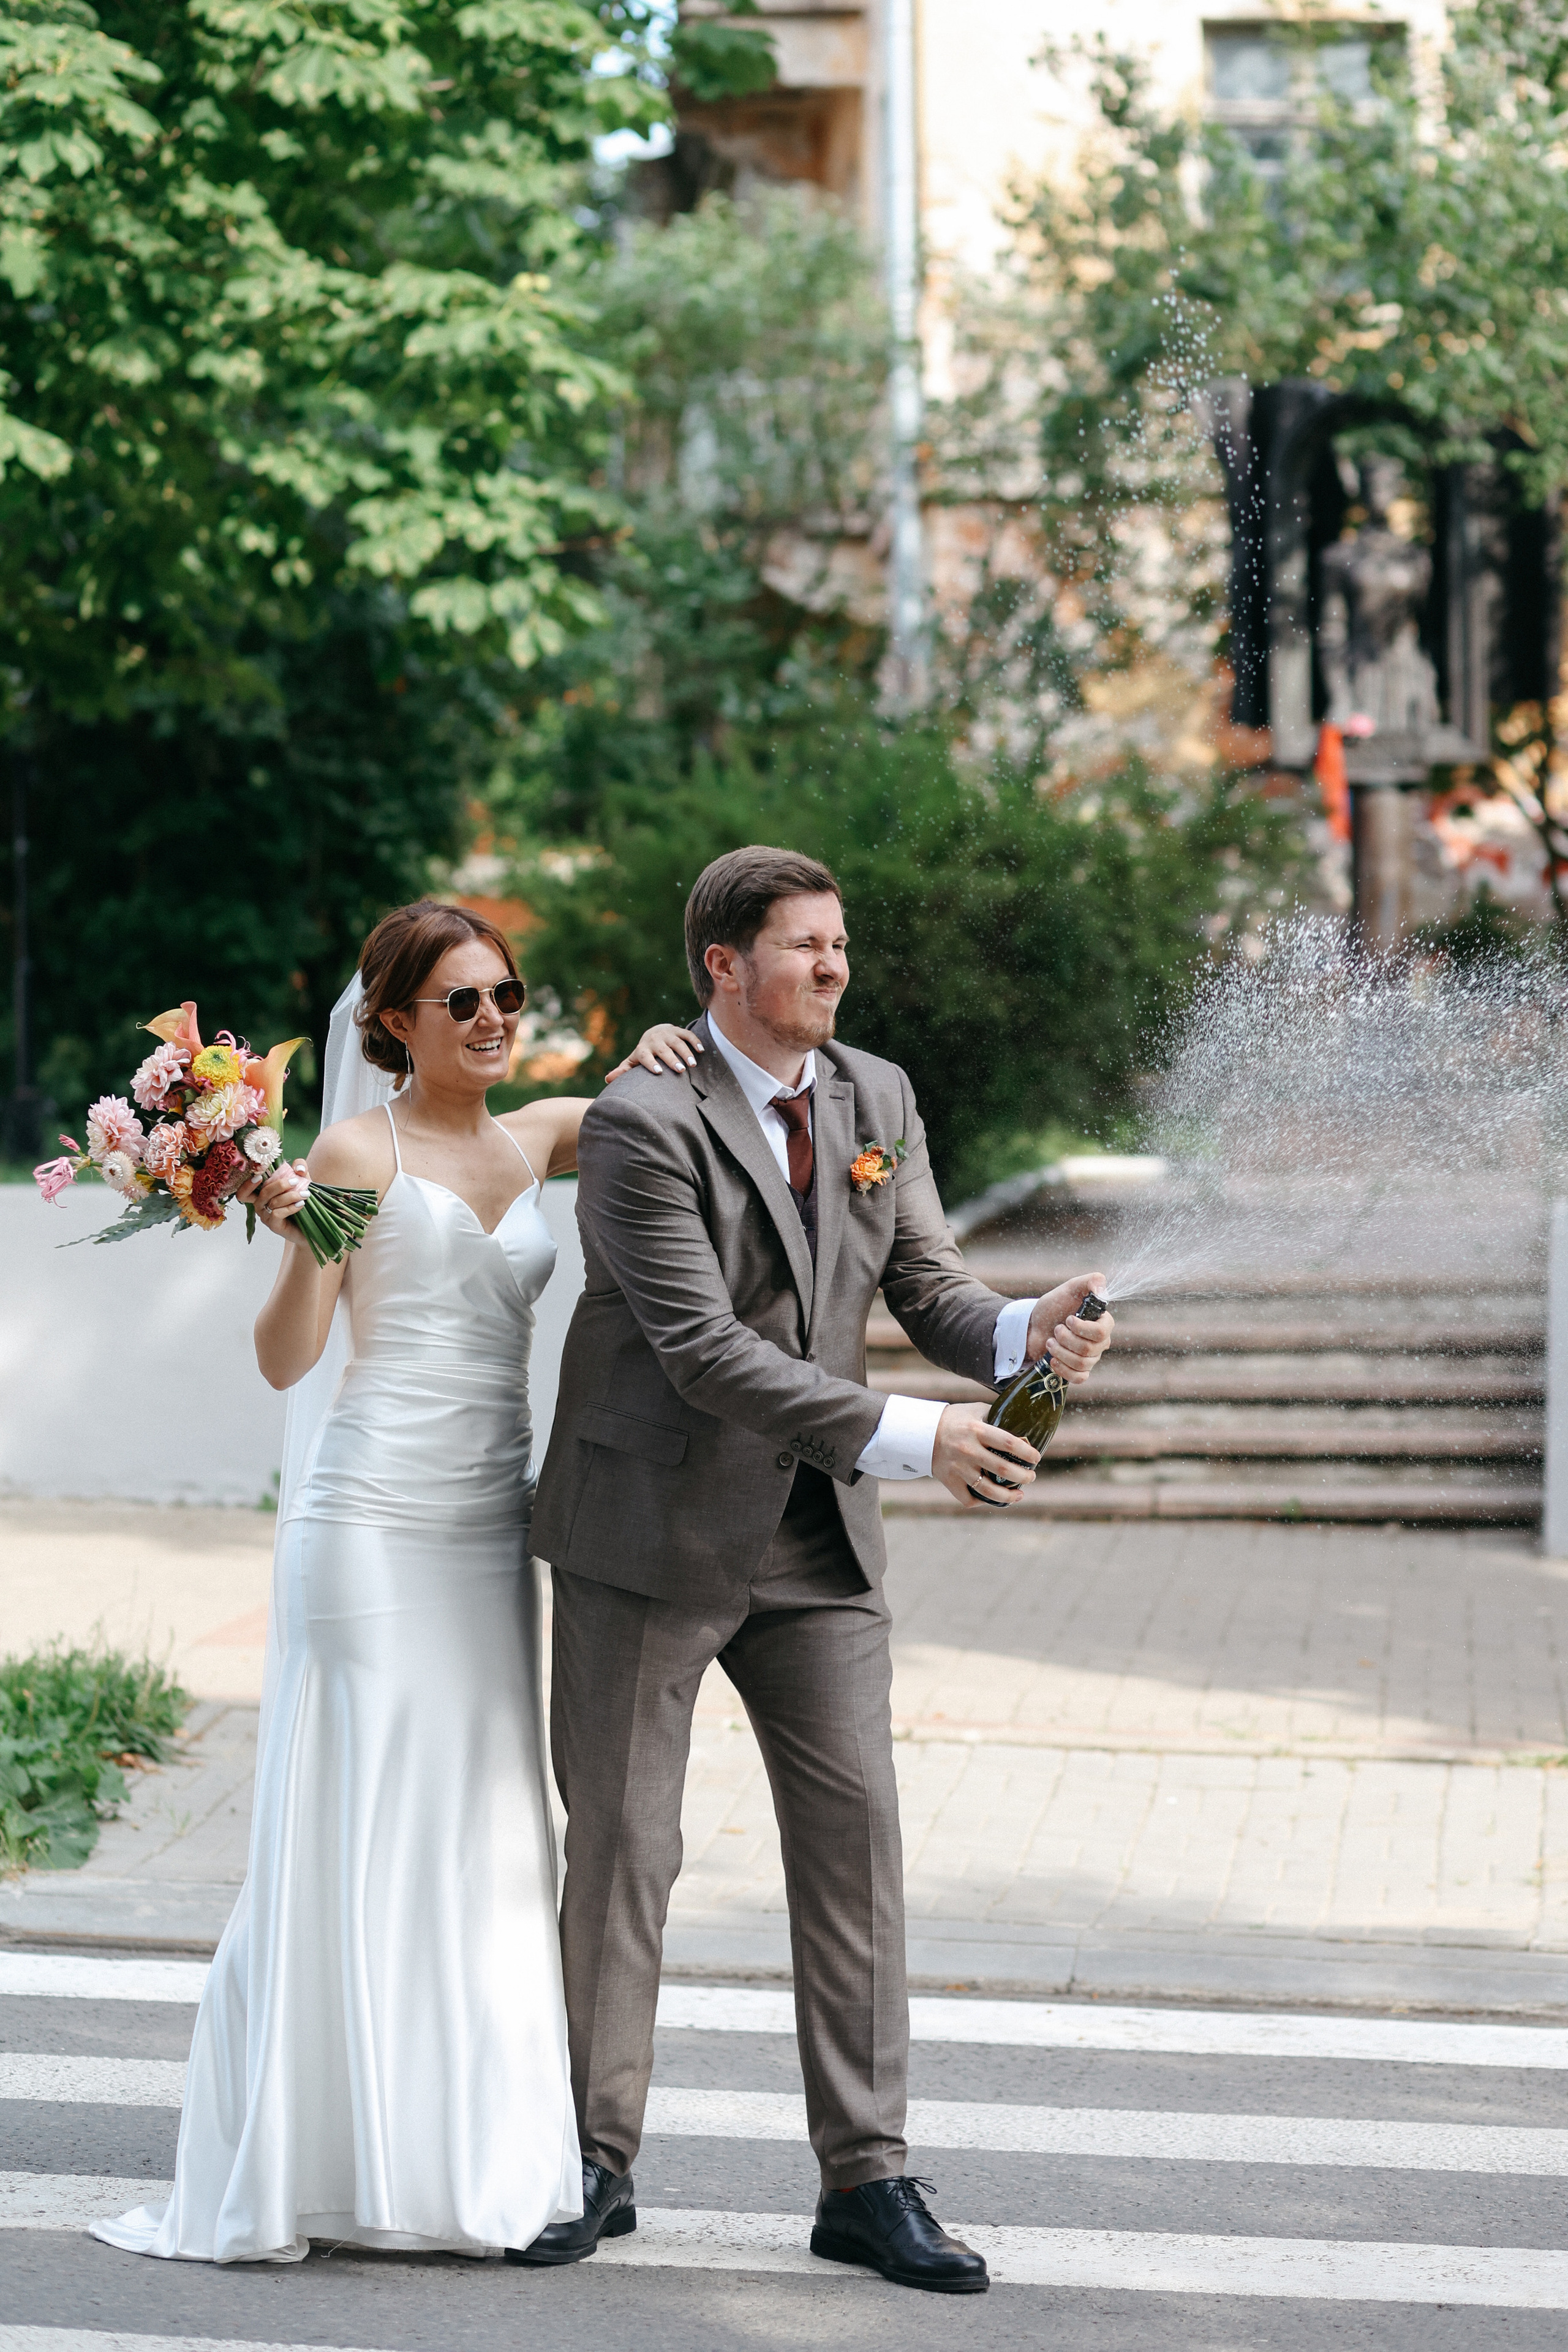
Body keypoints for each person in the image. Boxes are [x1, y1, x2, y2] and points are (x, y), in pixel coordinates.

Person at [521, 845, 1114, 2294]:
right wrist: (918, 1440)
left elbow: (923, 1285)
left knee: (855, 1851)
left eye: (840, 942)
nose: (835, 966)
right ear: (722, 966)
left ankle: (867, 2180)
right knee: (622, 1857)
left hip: (814, 1541)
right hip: (647, 1530)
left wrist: (1023, 1332)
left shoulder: (878, 1095)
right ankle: (588, 2162)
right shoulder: (640, 1120)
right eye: (804, 947)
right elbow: (702, 1347)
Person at [92, 899, 696, 2265]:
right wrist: (305, 1231)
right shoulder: (355, 1149)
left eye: (506, 994)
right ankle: (332, 2150)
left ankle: (464, 2157)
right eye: (462, 1002)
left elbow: (670, 1119)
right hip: (369, 1528)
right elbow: (285, 1362)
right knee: (367, 1822)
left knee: (486, 1836)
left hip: (491, 1534)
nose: (492, 1020)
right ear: (394, 1025)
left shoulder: (538, 1134)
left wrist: (670, 1044)